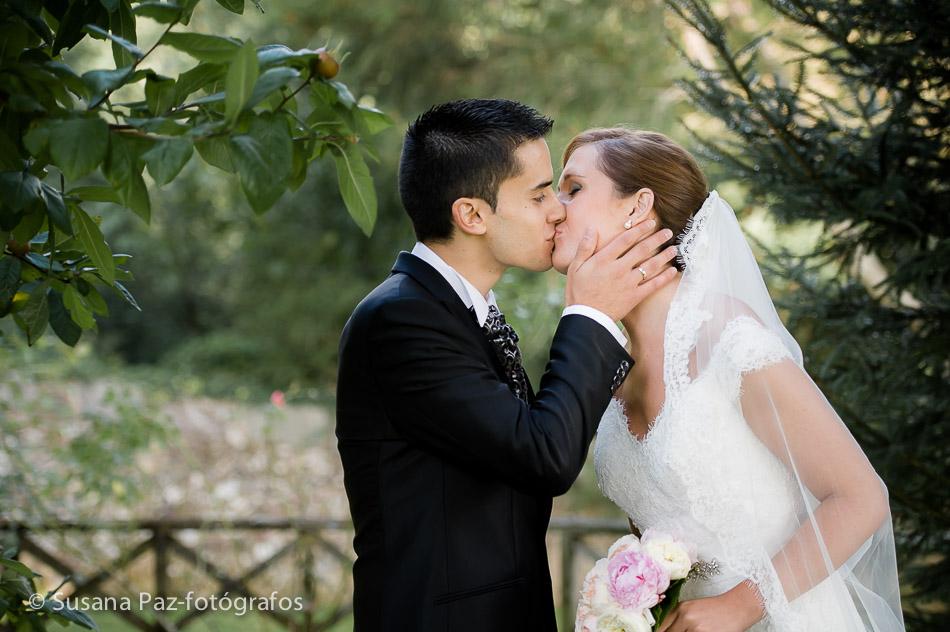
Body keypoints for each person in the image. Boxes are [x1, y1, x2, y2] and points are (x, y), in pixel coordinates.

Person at [335, 100, 679, 631]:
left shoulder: (465, 313)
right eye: (540, 194)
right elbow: (544, 454)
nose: (558, 211)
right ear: (472, 214)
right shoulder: (401, 320)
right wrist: (590, 314)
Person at [553, 128, 905, 631]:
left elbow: (861, 497)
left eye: (574, 188)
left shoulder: (726, 338)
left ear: (638, 208)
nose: (554, 208)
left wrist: (742, 605)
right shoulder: (607, 362)